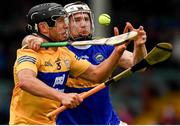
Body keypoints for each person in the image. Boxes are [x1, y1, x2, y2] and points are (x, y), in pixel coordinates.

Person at [22, 1, 147, 125]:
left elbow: (139, 66)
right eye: (76, 20)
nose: (83, 24)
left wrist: (139, 45)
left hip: (109, 122)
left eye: (86, 19)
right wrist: (30, 38)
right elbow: (27, 45)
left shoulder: (105, 46)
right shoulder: (59, 50)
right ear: (66, 24)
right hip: (69, 123)